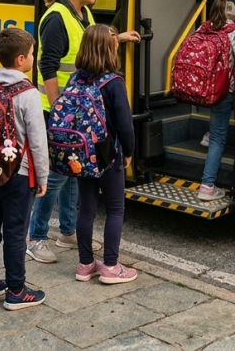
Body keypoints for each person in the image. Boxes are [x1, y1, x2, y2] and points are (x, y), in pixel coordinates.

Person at [27, 0, 140, 263]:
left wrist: (119, 38)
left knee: (75, 172)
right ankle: (35, 236)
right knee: (57, 176)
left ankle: (66, 231)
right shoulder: (56, 17)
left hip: (78, 110)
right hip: (59, 111)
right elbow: (47, 66)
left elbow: (91, 44)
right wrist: (60, 111)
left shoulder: (83, 12)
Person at [0, 28, 50, 309]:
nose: (33, 57)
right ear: (20, 60)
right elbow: (38, 141)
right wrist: (42, 177)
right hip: (18, 174)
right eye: (31, 54)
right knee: (16, 231)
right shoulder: (28, 93)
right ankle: (16, 290)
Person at [71, 25, 138, 284]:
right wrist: (129, 152)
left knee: (85, 208)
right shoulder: (113, 82)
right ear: (109, 49)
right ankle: (111, 266)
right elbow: (124, 123)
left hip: (82, 153)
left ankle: (85, 263)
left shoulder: (76, 78)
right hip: (109, 153)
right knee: (115, 208)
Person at [197, 0, 235, 201]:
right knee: (219, 139)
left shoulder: (204, 28)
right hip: (223, 89)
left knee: (216, 124)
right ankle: (207, 186)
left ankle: (207, 134)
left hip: (203, 87)